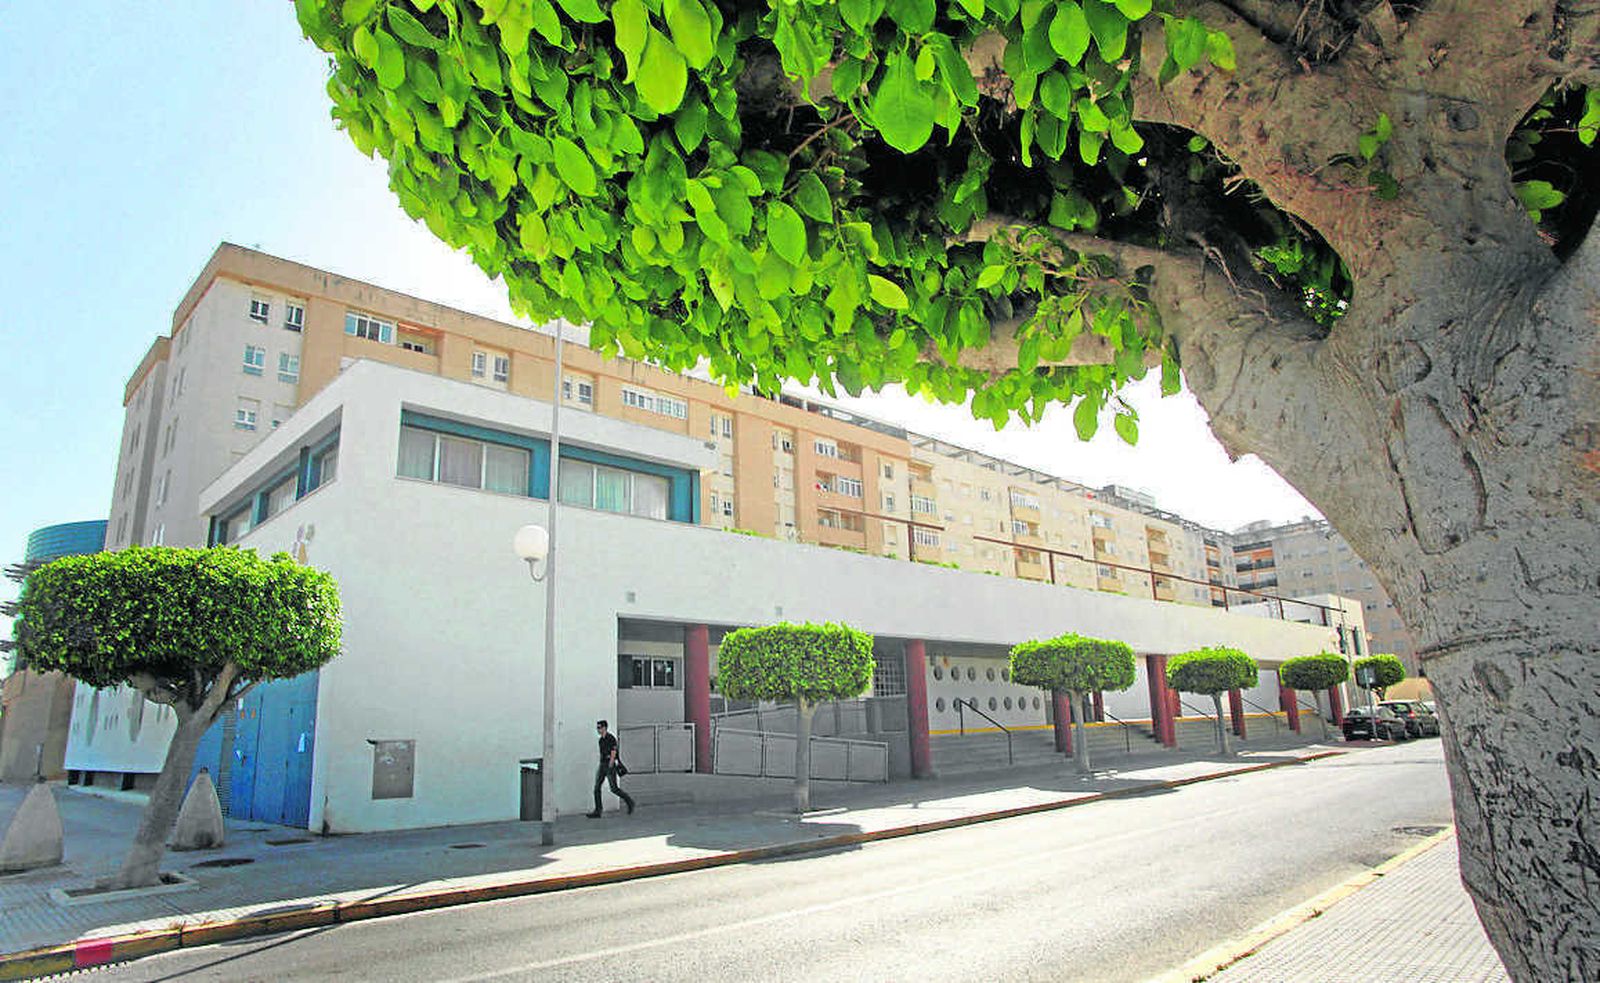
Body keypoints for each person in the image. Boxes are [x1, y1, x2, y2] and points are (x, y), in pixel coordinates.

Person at [588, 719, 635, 818]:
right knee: (597, 788)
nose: (598, 729)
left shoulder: (611, 738)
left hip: (610, 765)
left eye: (599, 727)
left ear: (604, 728)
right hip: (602, 764)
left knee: (614, 788)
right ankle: (598, 810)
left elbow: (613, 752)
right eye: (597, 728)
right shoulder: (601, 740)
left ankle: (630, 802)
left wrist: (611, 764)